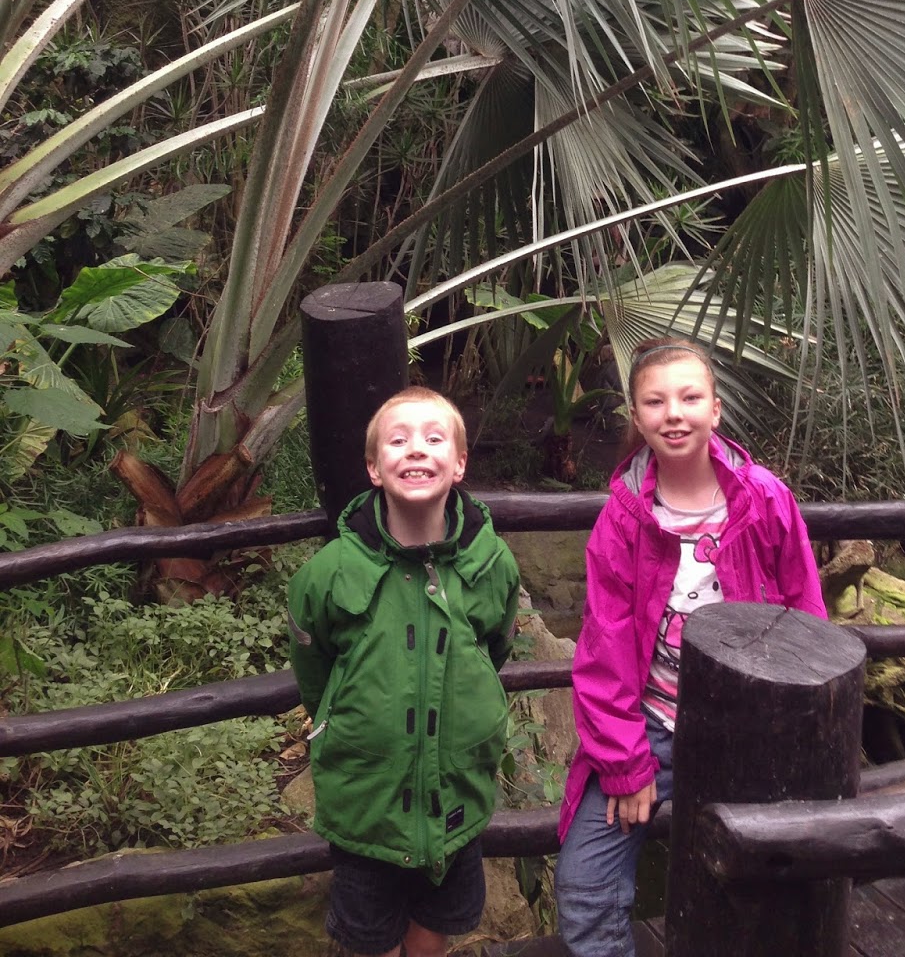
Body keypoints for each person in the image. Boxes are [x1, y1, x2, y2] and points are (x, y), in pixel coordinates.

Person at [554, 337, 826, 957]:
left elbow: (806, 616)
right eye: (655, 402)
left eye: (689, 398)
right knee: (586, 885)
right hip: (651, 725)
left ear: (715, 409)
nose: (673, 414)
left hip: (751, 725)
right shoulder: (623, 518)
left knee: (766, 877)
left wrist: (793, 732)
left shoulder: (765, 500)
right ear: (637, 415)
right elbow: (604, 650)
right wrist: (625, 764)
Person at [288, 386, 521, 957]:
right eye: (398, 440)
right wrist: (337, 721)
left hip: (456, 792)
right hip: (368, 801)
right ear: (374, 468)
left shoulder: (491, 564)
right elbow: (314, 667)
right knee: (371, 938)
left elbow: (494, 648)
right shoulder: (330, 572)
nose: (416, 449)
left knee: (434, 927)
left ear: (459, 464)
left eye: (434, 438)